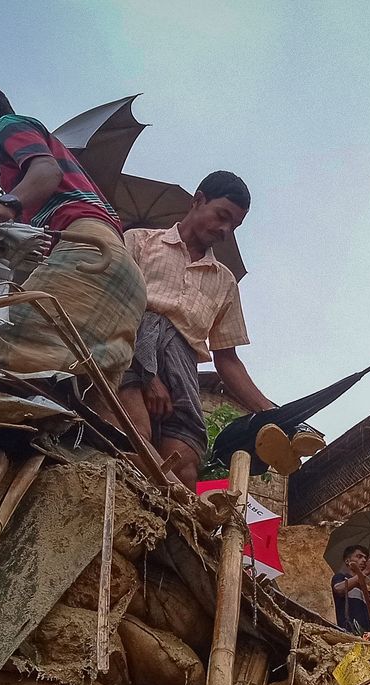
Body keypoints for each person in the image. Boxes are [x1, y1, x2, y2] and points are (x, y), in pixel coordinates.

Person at [0, 80, 146, 380]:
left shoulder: (8, 126)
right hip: (122, 277)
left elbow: (48, 172)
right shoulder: (15, 175)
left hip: (88, 253)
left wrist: (7, 205)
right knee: (79, 391)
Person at [122, 172, 292, 486]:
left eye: (235, 226)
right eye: (222, 216)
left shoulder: (224, 281)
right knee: (135, 440)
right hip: (126, 359)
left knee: (184, 469)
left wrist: (271, 413)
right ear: (199, 200)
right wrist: (148, 374)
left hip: (181, 376)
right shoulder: (139, 242)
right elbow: (117, 311)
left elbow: (227, 359)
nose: (225, 230)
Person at [331, 544, 370, 635]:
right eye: (359, 557)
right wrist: (366, 572)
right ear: (347, 561)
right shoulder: (341, 577)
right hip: (348, 633)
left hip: (367, 635)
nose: (364, 560)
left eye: (365, 558)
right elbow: (339, 589)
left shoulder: (366, 591)